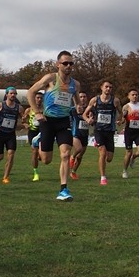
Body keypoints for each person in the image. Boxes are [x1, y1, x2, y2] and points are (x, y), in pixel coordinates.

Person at [27, 52, 81, 200]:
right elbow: (30, 92)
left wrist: (78, 106)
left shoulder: (75, 84)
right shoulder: (50, 79)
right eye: (65, 63)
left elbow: (76, 98)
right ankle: (38, 141)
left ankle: (64, 190)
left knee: (65, 154)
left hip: (64, 122)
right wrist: (37, 112)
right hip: (48, 122)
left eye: (71, 63)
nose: (68, 66)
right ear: (58, 64)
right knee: (46, 160)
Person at [84, 80, 119, 185]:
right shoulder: (95, 100)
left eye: (110, 87)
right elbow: (84, 114)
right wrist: (88, 120)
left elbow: (121, 113)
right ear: (101, 88)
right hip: (99, 130)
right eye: (106, 87)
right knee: (102, 153)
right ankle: (103, 177)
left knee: (109, 158)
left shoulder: (115, 101)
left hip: (110, 131)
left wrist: (120, 120)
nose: (108, 89)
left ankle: (98, 144)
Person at [0, 87, 23, 183]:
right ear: (6, 95)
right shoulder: (0, 105)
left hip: (11, 134)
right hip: (0, 133)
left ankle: (5, 177)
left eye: (15, 93)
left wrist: (25, 122)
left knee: (11, 154)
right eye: (11, 93)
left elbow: (23, 118)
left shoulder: (19, 108)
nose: (13, 95)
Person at [121, 89, 139, 178]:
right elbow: (123, 119)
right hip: (129, 132)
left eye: (136, 94)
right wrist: (120, 121)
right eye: (133, 95)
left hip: (138, 132)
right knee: (128, 152)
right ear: (128, 96)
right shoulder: (126, 107)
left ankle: (134, 157)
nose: (135, 96)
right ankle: (124, 170)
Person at [23, 91, 45, 181]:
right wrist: (25, 124)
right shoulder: (29, 110)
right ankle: (35, 173)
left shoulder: (45, 109)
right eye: (37, 98)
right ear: (34, 99)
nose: (39, 99)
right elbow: (23, 121)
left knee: (42, 155)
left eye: (41, 98)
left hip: (43, 132)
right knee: (34, 151)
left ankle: (40, 155)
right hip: (32, 132)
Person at [69, 91, 90, 179]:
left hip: (85, 134)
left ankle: (73, 172)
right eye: (80, 97)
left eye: (84, 96)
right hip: (75, 133)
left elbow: (94, 120)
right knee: (78, 149)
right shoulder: (73, 109)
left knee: (80, 155)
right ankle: (72, 157)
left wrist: (92, 119)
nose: (82, 98)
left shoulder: (90, 109)